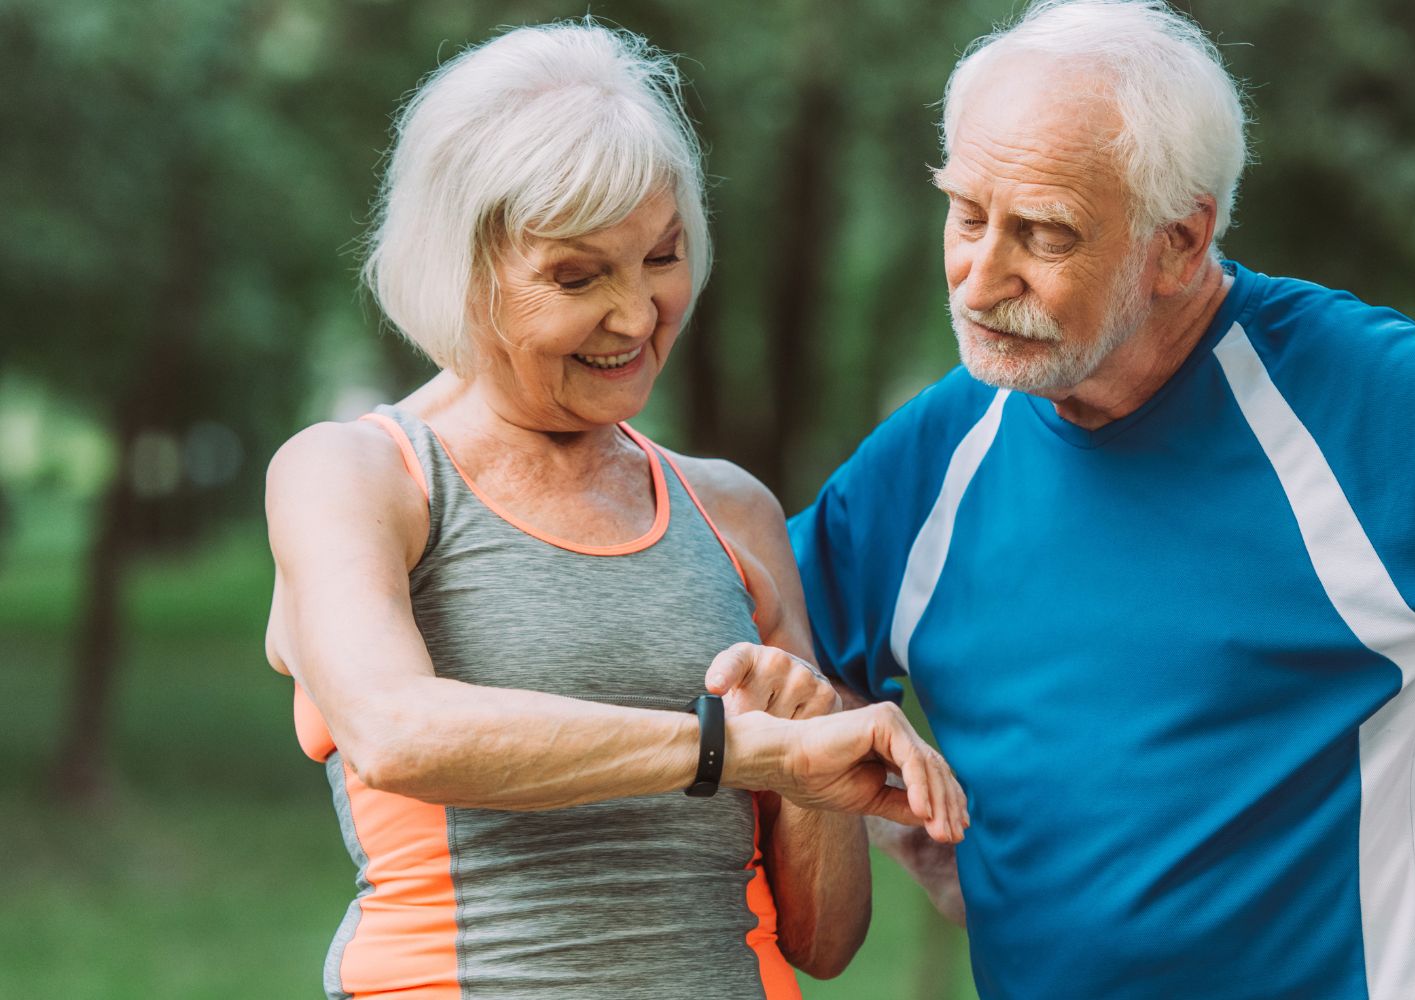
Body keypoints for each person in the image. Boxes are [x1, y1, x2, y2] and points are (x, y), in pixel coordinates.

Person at [787, 2, 1415, 998]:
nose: (977, 278)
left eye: (1043, 234)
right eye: (965, 215)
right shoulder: (935, 452)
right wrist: (901, 822)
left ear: (1179, 243)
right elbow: (758, 649)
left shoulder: (1358, 401)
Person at [263, 22, 966, 1000]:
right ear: (462, 270)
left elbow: (825, 937)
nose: (637, 316)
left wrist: (805, 747)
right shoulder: (355, 475)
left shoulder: (730, 509)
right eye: (577, 275)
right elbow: (397, 733)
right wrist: (734, 748)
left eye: (661, 258)